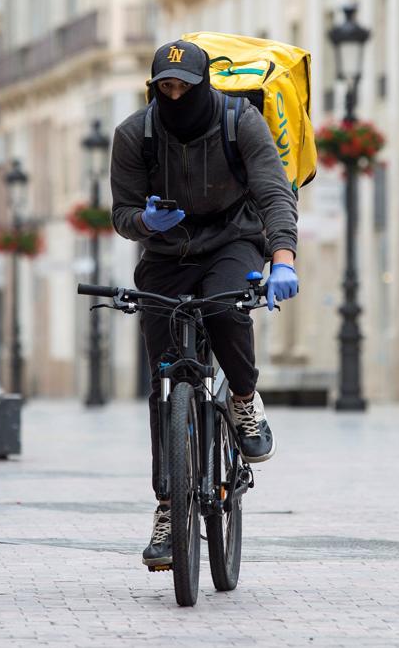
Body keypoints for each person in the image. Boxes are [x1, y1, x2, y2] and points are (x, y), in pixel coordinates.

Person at [110, 40, 300, 567]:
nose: (175, 96)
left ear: (204, 86)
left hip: (232, 240)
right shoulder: (134, 135)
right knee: (163, 379)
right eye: (164, 88)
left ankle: (242, 400)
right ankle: (169, 509)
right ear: (153, 90)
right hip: (166, 254)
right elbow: (121, 213)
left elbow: (273, 192)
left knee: (222, 308)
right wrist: (145, 222)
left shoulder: (242, 123)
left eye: (184, 88)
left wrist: (281, 257)